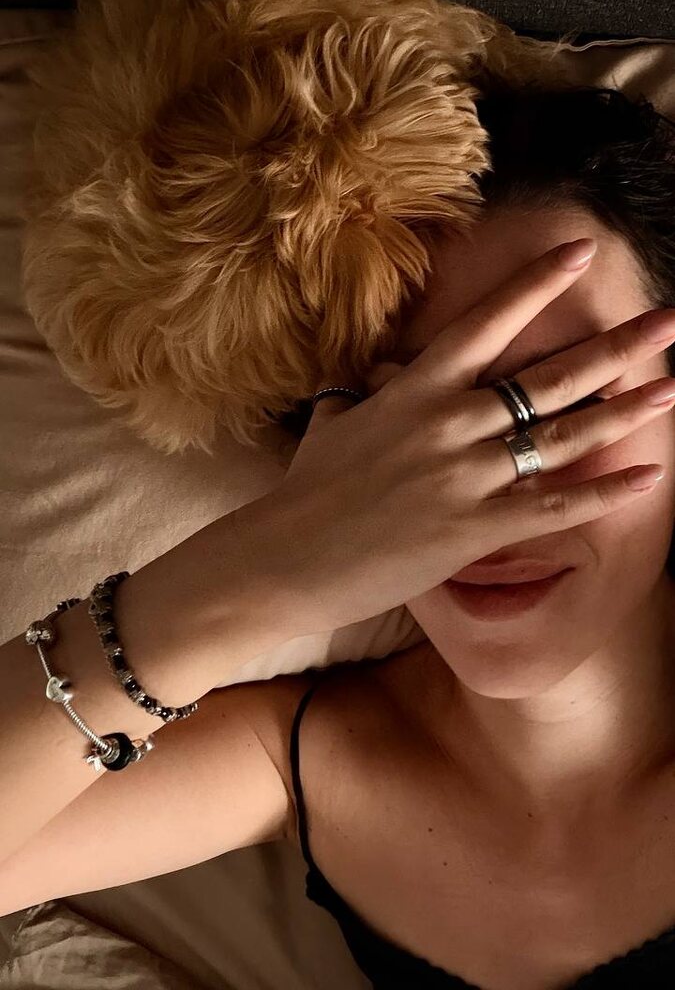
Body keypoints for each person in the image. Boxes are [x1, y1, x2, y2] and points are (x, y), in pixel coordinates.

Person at [2, 86, 675, 989]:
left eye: (570, 397)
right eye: (401, 422)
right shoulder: (300, 758)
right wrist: (265, 567)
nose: (481, 488)